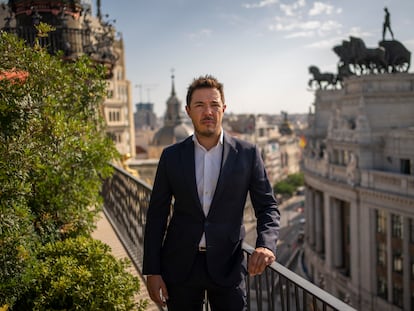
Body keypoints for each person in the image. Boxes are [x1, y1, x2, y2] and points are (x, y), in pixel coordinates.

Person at [142, 75, 280, 311]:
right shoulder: (171, 156)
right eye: (200, 105)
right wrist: (152, 270)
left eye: (214, 105)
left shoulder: (248, 153)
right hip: (180, 266)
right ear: (188, 111)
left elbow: (267, 206)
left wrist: (266, 245)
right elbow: (157, 215)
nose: (208, 112)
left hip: (228, 266)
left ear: (224, 109)